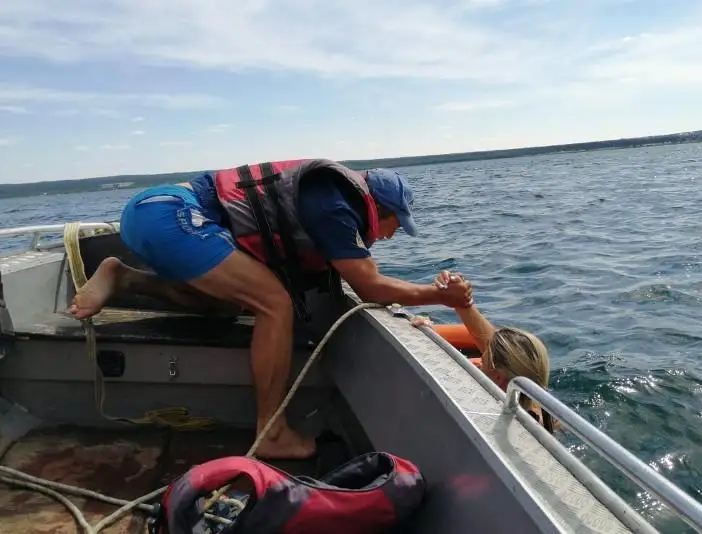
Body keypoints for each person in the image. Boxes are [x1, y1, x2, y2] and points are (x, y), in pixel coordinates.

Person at [68, 158, 473, 460]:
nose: (390, 235)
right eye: (395, 225)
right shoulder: (335, 204)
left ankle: (123, 277)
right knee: (274, 303)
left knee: (223, 306)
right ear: (377, 208)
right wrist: (441, 297)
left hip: (148, 215)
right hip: (170, 215)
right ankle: (272, 432)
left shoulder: (331, 199)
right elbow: (370, 285)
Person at [413, 270, 554, 432]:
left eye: (484, 361)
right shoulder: (537, 406)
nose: (479, 364)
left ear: (499, 376)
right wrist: (459, 298)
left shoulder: (484, 417)